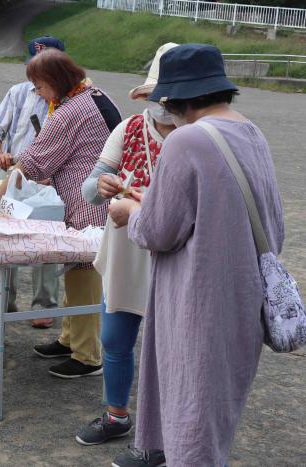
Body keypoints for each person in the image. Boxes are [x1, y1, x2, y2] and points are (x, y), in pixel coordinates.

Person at [108, 44, 284, 467]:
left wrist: (130, 210)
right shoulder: (251, 132)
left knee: (192, 412)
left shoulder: (186, 140)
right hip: (243, 295)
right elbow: (273, 223)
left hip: (196, 300)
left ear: (177, 98)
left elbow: (157, 231)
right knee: (216, 411)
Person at [0, 48, 121, 378]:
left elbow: (31, 162)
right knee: (76, 270)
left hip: (89, 204)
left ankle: (88, 356)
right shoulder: (95, 93)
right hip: (99, 196)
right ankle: (70, 337)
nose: (39, 95)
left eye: (40, 87)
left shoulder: (68, 111)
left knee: (85, 272)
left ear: (55, 81)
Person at [73, 43, 178, 448]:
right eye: (158, 96)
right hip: (125, 251)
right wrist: (100, 186)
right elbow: (90, 188)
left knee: (169, 345)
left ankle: (169, 426)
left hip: (174, 252)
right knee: (115, 338)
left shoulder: (198, 136)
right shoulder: (130, 128)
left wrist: (135, 203)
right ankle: (116, 414)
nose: (162, 105)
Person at [0, 36, 65, 328]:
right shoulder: (18, 92)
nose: (39, 75)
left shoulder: (69, 99)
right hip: (13, 174)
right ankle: (0, 300)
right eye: (35, 67)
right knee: (4, 237)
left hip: (50, 180)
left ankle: (44, 306)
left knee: (47, 242)